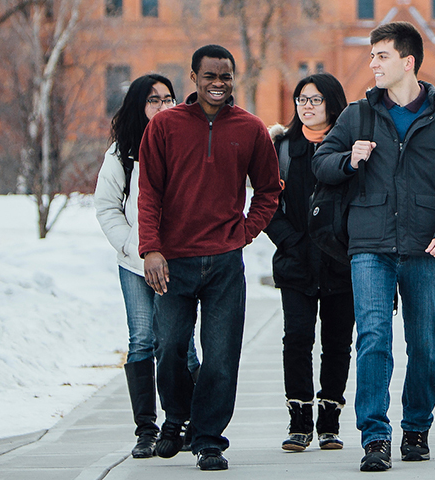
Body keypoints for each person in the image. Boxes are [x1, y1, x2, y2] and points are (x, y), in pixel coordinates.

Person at [313, 21, 435, 472]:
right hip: (369, 244)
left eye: (381, 56)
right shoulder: (357, 115)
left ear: (407, 62)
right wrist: (350, 160)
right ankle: (374, 436)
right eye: (370, 56)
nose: (372, 64)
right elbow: (321, 163)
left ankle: (417, 428)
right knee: (373, 339)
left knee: (424, 342)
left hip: (428, 248)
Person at [138, 44, 282, 470]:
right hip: (173, 263)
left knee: (220, 357)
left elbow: (270, 190)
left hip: (224, 263)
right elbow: (149, 194)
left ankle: (209, 440)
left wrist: (245, 231)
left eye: (225, 77)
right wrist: (151, 248)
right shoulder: (165, 126)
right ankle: (177, 418)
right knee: (170, 351)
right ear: (194, 78)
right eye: (210, 77)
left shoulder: (251, 128)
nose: (218, 84)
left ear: (233, 78)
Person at [264, 73, 356, 452]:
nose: (306, 106)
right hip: (297, 262)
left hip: (342, 263)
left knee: (337, 344)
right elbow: (268, 203)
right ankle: (299, 418)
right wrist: (291, 241)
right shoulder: (283, 148)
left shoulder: (352, 148)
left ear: (332, 104)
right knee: (297, 339)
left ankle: (330, 419)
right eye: (302, 99)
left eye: (315, 100)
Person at [94, 73, 177, 459]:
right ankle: (146, 430)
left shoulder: (182, 144)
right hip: (133, 264)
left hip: (178, 262)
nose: (162, 106)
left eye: (168, 98)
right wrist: (135, 248)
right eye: (153, 100)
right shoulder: (121, 153)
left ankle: (184, 424)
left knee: (179, 345)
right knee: (142, 340)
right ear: (138, 106)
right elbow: (107, 206)